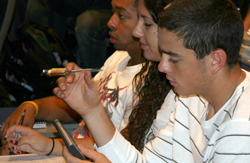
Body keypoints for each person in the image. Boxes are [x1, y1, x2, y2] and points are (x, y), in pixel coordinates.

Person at [8, 0, 249, 162]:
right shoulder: (192, 98)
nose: (162, 67)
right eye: (163, 54)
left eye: (174, 59)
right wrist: (91, 110)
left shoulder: (241, 126)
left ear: (216, 60)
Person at [4, 0, 178, 157]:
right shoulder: (118, 57)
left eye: (122, 15)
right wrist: (33, 106)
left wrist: (49, 145)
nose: (110, 22)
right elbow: (73, 108)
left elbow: (123, 146)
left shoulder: (162, 82)